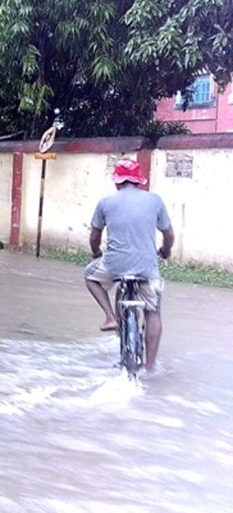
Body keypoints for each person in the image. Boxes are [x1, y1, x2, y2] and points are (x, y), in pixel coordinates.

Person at [84, 158, 175, 372]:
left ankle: (110, 317)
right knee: (153, 312)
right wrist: (165, 251)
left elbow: (94, 238)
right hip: (147, 267)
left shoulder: (105, 202)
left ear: (117, 182)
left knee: (90, 276)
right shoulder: (155, 200)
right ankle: (151, 366)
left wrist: (96, 253)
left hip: (114, 265)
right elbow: (169, 235)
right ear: (138, 181)